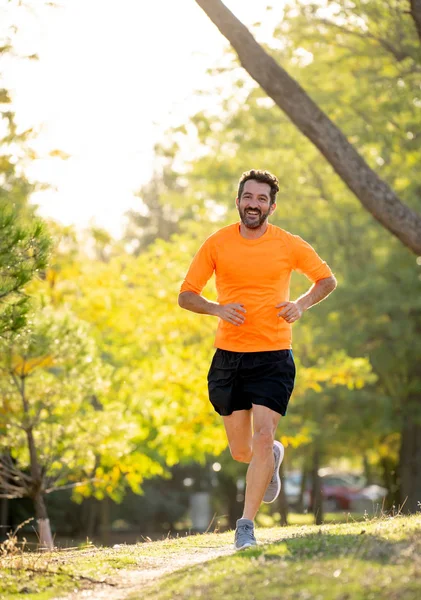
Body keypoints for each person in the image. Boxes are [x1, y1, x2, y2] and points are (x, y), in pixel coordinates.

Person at [178, 169, 337, 550]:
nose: (254, 204)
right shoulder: (216, 243)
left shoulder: (288, 244)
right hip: (229, 358)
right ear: (238, 201)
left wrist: (300, 304)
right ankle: (273, 458)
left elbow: (326, 280)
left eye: (261, 199)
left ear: (272, 206)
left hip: (274, 355)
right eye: (248, 197)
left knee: (264, 436)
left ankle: (245, 525)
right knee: (242, 451)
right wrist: (217, 309)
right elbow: (186, 295)